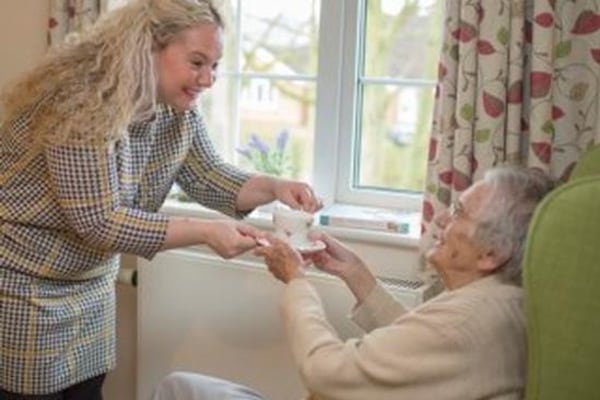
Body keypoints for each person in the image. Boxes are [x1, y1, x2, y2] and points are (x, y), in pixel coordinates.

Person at [0, 0, 321, 398]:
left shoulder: (175, 112)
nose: (208, 79)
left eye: (215, 66)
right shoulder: (80, 102)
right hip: (25, 290)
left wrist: (275, 186)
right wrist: (205, 231)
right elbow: (99, 221)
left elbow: (209, 176)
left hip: (91, 287)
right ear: (151, 47)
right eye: (197, 62)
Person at [152, 166, 554, 400]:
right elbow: (414, 344)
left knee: (179, 390)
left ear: (490, 255)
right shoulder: (499, 301)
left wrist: (296, 280)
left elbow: (325, 371)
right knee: (185, 387)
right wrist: (356, 273)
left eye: (461, 213)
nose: (445, 220)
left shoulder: (467, 323)